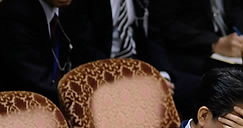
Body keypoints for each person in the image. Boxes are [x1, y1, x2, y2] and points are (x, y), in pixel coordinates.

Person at [59, 0, 200, 120]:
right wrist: (138, 79)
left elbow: (150, 37)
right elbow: (85, 50)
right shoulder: (82, 3)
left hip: (141, 67)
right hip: (105, 73)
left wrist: (161, 74)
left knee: (202, 88)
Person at [148, 0, 243, 76]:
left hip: (232, 45)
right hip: (192, 51)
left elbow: (235, 8)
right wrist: (214, 43)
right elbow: (165, 25)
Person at [0, 0, 73, 106]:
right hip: (21, 107)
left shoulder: (71, 9)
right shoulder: (15, 14)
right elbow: (35, 82)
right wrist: (76, 99)